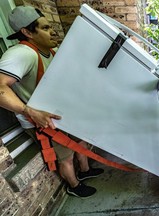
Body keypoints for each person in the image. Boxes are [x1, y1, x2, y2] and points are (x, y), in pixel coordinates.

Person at [0, 6, 104, 198]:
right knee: (65, 155)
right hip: (42, 121)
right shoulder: (22, 54)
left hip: (61, 113)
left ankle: (85, 170)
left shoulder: (50, 51)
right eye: (46, 28)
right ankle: (73, 186)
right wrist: (30, 112)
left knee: (81, 140)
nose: (52, 31)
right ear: (27, 32)